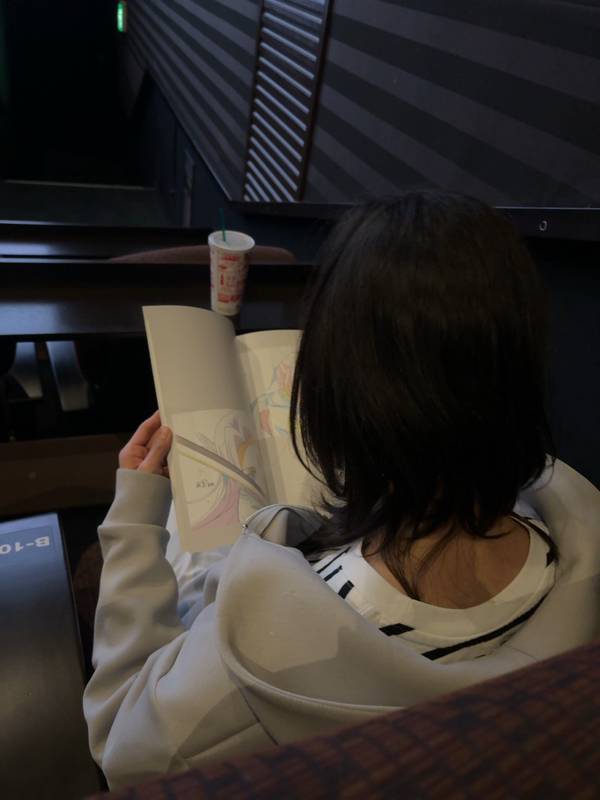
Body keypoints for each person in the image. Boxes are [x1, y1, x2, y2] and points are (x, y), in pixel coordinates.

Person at [83, 193, 600, 790]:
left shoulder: (244, 672)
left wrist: (135, 518)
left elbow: (122, 742)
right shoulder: (573, 537)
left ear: (338, 403)